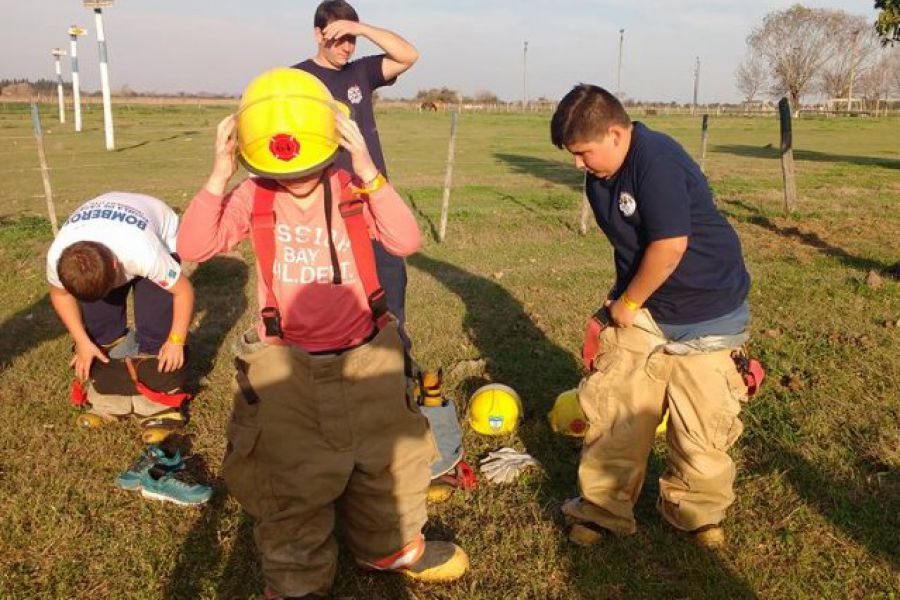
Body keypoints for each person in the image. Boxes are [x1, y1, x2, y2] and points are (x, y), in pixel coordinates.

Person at [177, 68, 467, 599]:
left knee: (391, 464)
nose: (297, 180)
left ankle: (391, 545)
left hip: (368, 356)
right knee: (291, 481)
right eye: (285, 172)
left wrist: (368, 169)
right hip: (287, 366)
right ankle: (296, 580)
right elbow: (193, 247)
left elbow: (405, 240)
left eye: (309, 168)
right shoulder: (253, 195)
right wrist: (219, 175)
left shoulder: (352, 185)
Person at [550, 84, 755, 549]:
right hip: (646, 308)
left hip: (708, 309)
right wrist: (619, 303)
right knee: (616, 407)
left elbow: (668, 246)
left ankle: (694, 511)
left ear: (617, 134)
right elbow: (631, 248)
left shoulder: (656, 159)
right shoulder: (600, 178)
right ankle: (603, 508)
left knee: (701, 425)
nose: (577, 164)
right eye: (572, 154)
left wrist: (627, 305)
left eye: (583, 152)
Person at [47, 192, 212, 506]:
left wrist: (175, 340)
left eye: (112, 284)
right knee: (97, 334)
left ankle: (160, 408)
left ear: (113, 264)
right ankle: (110, 403)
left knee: (157, 329)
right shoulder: (59, 258)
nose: (112, 292)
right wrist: (82, 342)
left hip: (156, 232)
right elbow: (60, 296)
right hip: (104, 240)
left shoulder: (144, 252)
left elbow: (183, 292)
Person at [293, 0, 419, 334]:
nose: (347, 47)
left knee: (390, 276)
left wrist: (361, 28)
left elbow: (408, 55)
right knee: (339, 284)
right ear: (318, 34)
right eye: (338, 38)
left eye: (352, 39)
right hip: (325, 203)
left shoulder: (360, 72)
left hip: (372, 196)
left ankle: (396, 357)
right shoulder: (297, 80)